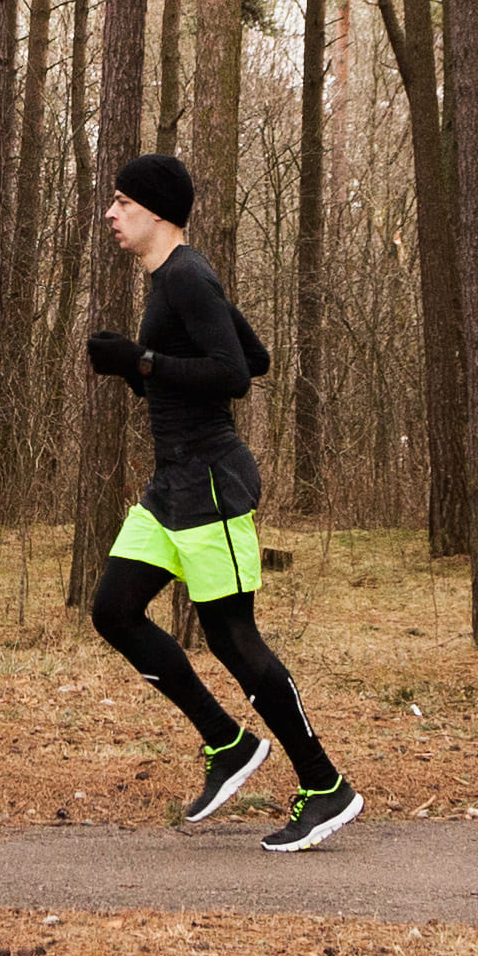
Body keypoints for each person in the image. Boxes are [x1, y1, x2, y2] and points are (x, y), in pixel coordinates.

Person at [81, 150, 359, 851]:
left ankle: (325, 786)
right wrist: (139, 366)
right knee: (113, 610)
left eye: (121, 203)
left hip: (210, 482)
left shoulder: (187, 275)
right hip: (170, 486)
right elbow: (254, 353)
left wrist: (138, 362)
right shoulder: (172, 280)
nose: (110, 215)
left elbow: (234, 376)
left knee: (235, 640)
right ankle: (227, 743)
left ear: (155, 211)